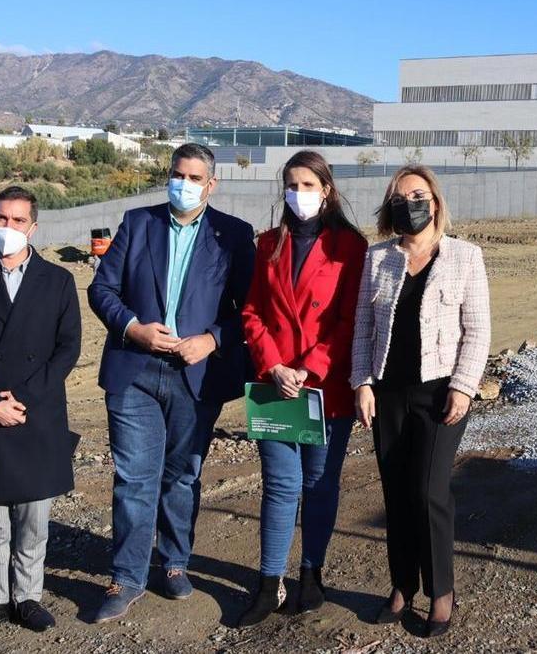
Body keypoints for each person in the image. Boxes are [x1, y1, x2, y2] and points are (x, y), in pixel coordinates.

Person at [87, 143, 255, 622]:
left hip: (195, 375)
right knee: (134, 477)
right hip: (134, 370)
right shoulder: (139, 223)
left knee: (182, 475)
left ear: (211, 184)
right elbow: (102, 289)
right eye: (178, 174)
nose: (184, 183)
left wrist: (212, 340)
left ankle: (175, 563)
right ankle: (127, 576)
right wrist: (132, 327)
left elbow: (249, 310)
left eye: (195, 177)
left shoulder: (234, 235)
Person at [350, 164, 490, 638]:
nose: (409, 203)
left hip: (440, 393)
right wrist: (361, 382)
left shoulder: (465, 257)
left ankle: (442, 592)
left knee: (429, 492)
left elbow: (478, 330)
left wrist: (464, 385)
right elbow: (363, 328)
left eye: (418, 195)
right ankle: (401, 585)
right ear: (390, 206)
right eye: (399, 197)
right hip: (387, 391)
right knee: (396, 491)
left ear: (434, 201)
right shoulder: (377, 259)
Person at [237, 151, 367, 626]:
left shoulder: (351, 248)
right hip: (274, 389)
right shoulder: (267, 243)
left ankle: (312, 573)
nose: (298, 193)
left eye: (308, 184)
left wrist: (308, 369)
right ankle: (269, 581)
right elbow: (251, 311)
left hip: (324, 391)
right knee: (279, 486)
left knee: (319, 483)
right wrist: (272, 364)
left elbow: (352, 319)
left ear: (326, 190)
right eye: (291, 185)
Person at [0, 185, 82, 637]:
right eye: (1, 219)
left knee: (34, 519)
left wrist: (24, 399)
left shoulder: (58, 281)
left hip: (36, 412)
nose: (8, 227)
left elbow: (67, 349)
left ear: (34, 227)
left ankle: (28, 597)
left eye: (18, 220)